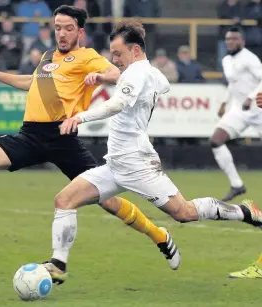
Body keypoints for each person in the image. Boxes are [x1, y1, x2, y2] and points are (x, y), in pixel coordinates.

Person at [0, 5, 180, 280]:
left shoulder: (87, 56)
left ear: (80, 32)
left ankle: (159, 235)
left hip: (63, 138)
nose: (61, 33)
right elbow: (33, 82)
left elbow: (116, 74)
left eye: (68, 28)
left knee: (108, 202)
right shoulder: (49, 57)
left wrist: (99, 76)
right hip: (30, 135)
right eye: (58, 27)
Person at [44, 20, 262, 282]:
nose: (114, 59)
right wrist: (106, 77)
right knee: (64, 200)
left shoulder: (137, 73)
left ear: (135, 51)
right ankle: (58, 265)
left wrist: (81, 118)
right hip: (115, 165)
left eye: (118, 54)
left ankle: (244, 212)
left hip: (138, 163)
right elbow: (159, 83)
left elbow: (119, 103)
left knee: (183, 212)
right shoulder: (150, 73)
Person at [210, 27, 262, 201]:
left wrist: (250, 97)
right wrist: (225, 102)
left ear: (243, 41)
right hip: (240, 110)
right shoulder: (226, 60)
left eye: (234, 39)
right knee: (216, 140)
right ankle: (237, 185)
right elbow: (233, 84)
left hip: (258, 108)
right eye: (228, 39)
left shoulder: (250, 58)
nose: (230, 42)